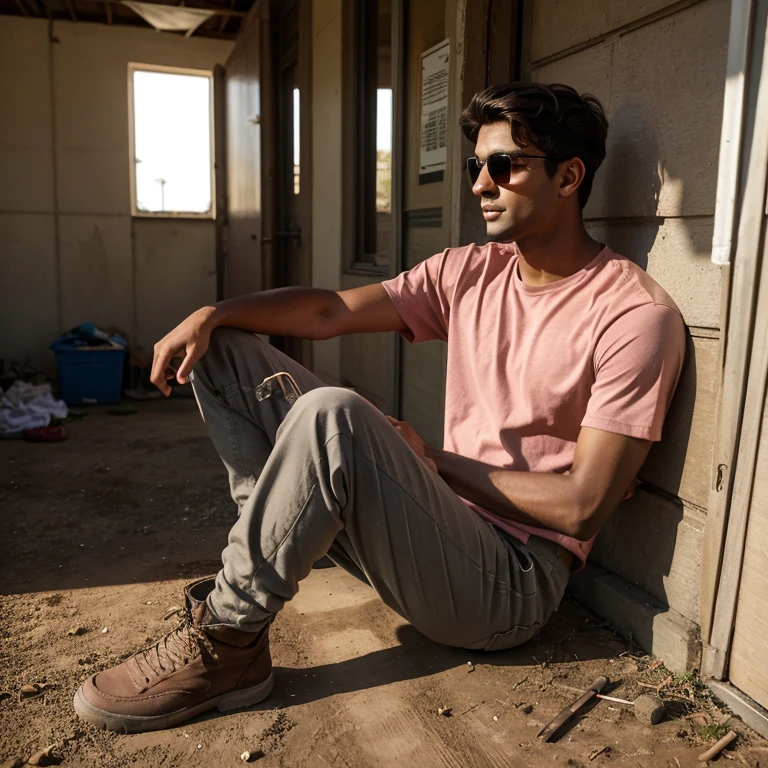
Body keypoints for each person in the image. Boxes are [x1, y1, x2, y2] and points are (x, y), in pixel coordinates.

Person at [73, 83, 685, 733]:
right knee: (225, 352)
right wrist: (213, 313)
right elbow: (329, 311)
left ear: (569, 177)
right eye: (476, 166)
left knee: (331, 415)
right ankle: (268, 553)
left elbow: (583, 505)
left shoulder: (633, 317)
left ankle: (228, 636)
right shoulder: (471, 272)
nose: (481, 184)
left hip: (508, 584)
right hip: (429, 532)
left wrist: (431, 461)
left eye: (503, 166)